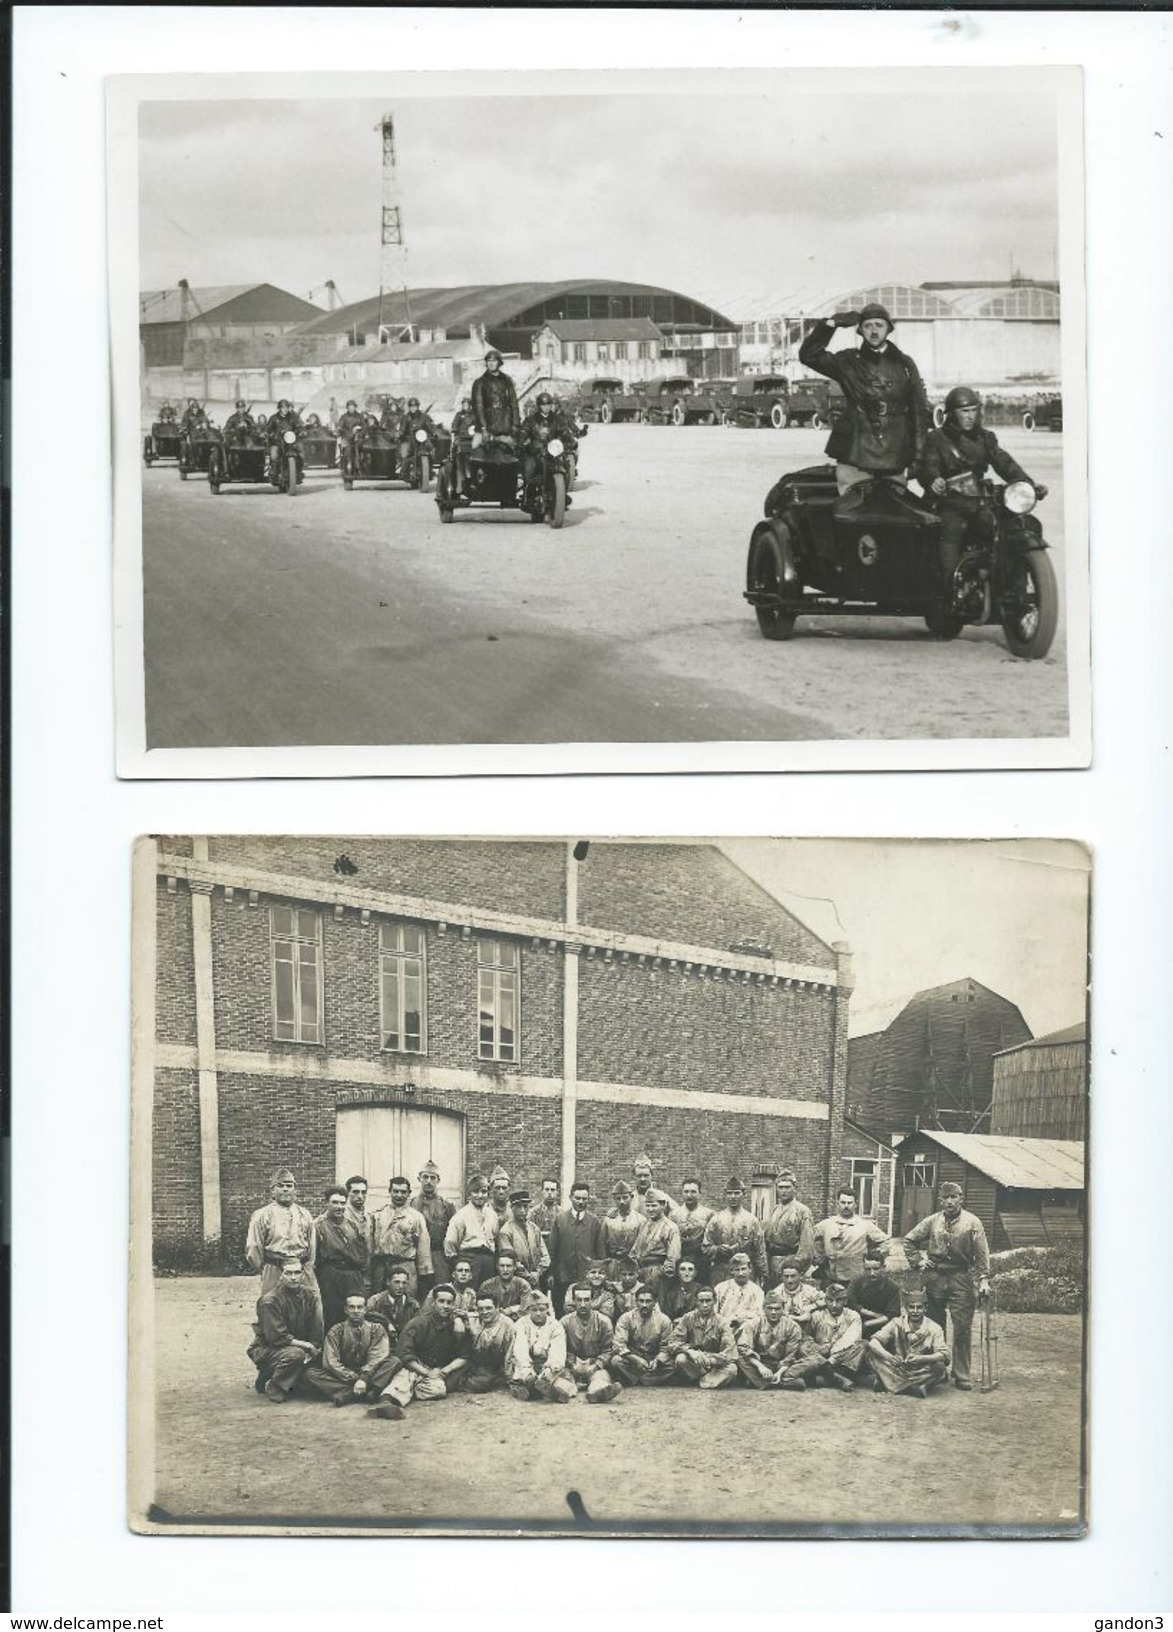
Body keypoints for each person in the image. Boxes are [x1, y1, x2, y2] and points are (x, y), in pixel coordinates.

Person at [918, 385, 1048, 587]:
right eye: (964, 412)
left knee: (1021, 524)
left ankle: (1014, 583)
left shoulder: (986, 438)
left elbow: (1004, 463)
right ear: (951, 414)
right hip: (949, 500)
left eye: (973, 410)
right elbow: (929, 465)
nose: (970, 416)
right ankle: (950, 588)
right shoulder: (936, 439)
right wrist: (933, 480)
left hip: (979, 497)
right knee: (952, 529)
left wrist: (1028, 484)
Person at [798, 303, 930, 494]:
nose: (874, 331)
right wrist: (830, 324)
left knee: (895, 512)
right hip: (855, 449)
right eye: (868, 326)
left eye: (879, 325)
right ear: (860, 331)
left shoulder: (905, 364)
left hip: (895, 451)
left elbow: (918, 412)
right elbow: (808, 355)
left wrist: (919, 455)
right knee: (852, 510)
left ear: (888, 329)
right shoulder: (847, 361)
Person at [902, 1181, 991, 1390]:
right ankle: (937, 1369)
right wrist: (919, 1261)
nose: (949, 1202)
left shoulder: (972, 1223)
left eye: (954, 1197)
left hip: (961, 1277)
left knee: (962, 1327)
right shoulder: (933, 1221)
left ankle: (961, 1373)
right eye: (945, 1198)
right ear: (940, 1201)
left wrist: (984, 1279)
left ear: (961, 1198)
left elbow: (982, 1254)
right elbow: (909, 1240)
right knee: (934, 1326)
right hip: (934, 1277)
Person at [369, 1283, 472, 1420]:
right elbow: (404, 1354)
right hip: (415, 1366)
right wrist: (426, 1372)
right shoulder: (418, 1323)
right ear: (433, 1303)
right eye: (441, 1301)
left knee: (438, 1390)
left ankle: (407, 1392)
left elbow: (465, 1355)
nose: (445, 1306)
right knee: (405, 1377)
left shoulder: (456, 1326)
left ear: (454, 1305)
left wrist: (444, 1371)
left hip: (437, 1371)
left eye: (449, 1302)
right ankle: (386, 1403)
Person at [247, 1257, 324, 1402]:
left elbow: (316, 1327)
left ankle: (278, 1376)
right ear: (281, 1275)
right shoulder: (270, 1301)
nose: (293, 1278)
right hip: (267, 1348)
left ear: (302, 1274)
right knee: (295, 1355)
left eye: (297, 1273)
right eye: (288, 1273)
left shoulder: (310, 1295)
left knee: (322, 1360)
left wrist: (316, 1346)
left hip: (297, 1345)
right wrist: (307, 1346)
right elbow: (277, 1338)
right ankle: (275, 1385)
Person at [304, 1292, 395, 1407]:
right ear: (346, 1310)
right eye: (352, 1307)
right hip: (344, 1373)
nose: (356, 1311)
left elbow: (377, 1357)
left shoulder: (376, 1329)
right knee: (310, 1374)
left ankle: (349, 1394)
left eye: (359, 1307)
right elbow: (330, 1362)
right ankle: (366, 1391)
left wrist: (364, 1378)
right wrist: (355, 1378)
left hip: (370, 1372)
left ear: (365, 1309)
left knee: (394, 1362)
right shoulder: (336, 1330)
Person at [245, 1168, 319, 1302]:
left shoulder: (305, 1214)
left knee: (310, 1306)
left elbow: (312, 1245)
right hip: (275, 1268)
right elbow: (253, 1247)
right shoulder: (262, 1215)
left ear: (295, 1190)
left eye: (289, 1186)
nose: (285, 1189)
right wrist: (265, 1268)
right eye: (280, 1186)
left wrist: (308, 1265)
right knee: (272, 1307)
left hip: (301, 1268)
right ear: (272, 1190)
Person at [868, 1289, 951, 1397]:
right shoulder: (896, 1323)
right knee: (871, 1353)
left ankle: (888, 1382)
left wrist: (921, 1358)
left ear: (925, 1309)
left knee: (940, 1368)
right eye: (911, 1307)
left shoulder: (934, 1328)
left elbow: (944, 1355)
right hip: (898, 1367)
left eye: (919, 1307)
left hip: (920, 1370)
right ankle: (914, 1388)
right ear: (906, 1308)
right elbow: (874, 1342)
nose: (915, 1311)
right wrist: (889, 1357)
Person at [736, 1290, 824, 1391]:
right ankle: (783, 1382)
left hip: (782, 1365)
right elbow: (744, 1348)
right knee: (739, 1357)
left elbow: (791, 1356)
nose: (773, 1312)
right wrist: (761, 1367)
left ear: (783, 1309)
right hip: (761, 1363)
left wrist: (779, 1372)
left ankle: (762, 1382)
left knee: (814, 1360)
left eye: (777, 1309)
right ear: (764, 1309)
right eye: (770, 1309)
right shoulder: (753, 1324)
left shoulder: (792, 1326)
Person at [313, 1185, 370, 1331]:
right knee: (332, 1315)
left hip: (353, 1275)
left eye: (342, 1203)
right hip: (331, 1275)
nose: (339, 1207)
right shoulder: (318, 1226)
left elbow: (362, 1250)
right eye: (335, 1202)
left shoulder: (352, 1224)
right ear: (327, 1203)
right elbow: (313, 1257)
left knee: (356, 1313)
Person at [812, 1189, 890, 1288]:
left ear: (855, 1204)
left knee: (854, 1302)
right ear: (837, 1203)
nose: (846, 1206)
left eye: (849, 1203)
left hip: (855, 1277)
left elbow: (885, 1242)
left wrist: (873, 1259)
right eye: (843, 1202)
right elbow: (808, 1238)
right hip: (830, 1276)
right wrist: (816, 1257)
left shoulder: (864, 1225)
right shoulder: (827, 1224)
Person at [370, 1175, 432, 1296]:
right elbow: (371, 1242)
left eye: (403, 1192)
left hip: (405, 1264)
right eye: (395, 1191)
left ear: (409, 1193)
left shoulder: (416, 1217)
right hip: (383, 1266)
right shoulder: (378, 1215)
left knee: (406, 1300)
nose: (399, 1195)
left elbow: (423, 1246)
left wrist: (424, 1272)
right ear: (390, 1192)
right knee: (380, 1301)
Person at [667, 1284, 739, 1389]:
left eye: (708, 1301)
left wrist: (711, 1360)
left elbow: (730, 1353)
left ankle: (702, 1380)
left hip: (714, 1364)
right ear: (696, 1302)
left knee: (732, 1369)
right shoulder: (688, 1318)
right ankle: (706, 1379)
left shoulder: (721, 1322)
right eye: (701, 1301)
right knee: (681, 1359)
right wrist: (690, 1351)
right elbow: (672, 1342)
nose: (705, 1305)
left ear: (714, 1301)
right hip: (694, 1362)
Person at [560, 1282, 622, 1403]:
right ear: (573, 1301)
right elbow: (560, 1348)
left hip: (595, 1366)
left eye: (587, 1300)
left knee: (600, 1381)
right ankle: (565, 1392)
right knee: (563, 1382)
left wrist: (596, 1365)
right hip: (571, 1366)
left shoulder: (604, 1321)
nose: (583, 1304)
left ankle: (595, 1394)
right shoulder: (564, 1322)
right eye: (579, 1300)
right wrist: (572, 1364)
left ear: (592, 1300)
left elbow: (608, 1349)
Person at [508, 1290, 572, 1403]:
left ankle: (540, 1390)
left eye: (542, 1310)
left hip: (546, 1364)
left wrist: (549, 1368)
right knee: (525, 1376)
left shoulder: (556, 1326)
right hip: (526, 1366)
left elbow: (558, 1351)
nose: (538, 1313)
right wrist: (527, 1369)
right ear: (528, 1310)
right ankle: (529, 1387)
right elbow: (520, 1349)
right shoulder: (521, 1324)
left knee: (562, 1383)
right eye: (534, 1310)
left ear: (547, 1309)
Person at [549, 1181, 603, 1313]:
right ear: (570, 1197)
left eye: (584, 1199)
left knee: (585, 1312)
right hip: (562, 1277)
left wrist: (597, 1274)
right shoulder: (560, 1220)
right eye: (577, 1198)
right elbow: (552, 1249)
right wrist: (550, 1273)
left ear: (588, 1199)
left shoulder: (594, 1221)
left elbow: (599, 1251)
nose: (580, 1202)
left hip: (585, 1278)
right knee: (561, 1311)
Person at [703, 1177, 768, 1285]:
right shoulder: (716, 1219)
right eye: (730, 1193)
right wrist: (718, 1249)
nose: (733, 1197)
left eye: (737, 1193)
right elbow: (705, 1247)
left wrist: (763, 1274)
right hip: (721, 1271)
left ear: (743, 1194)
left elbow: (759, 1250)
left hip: (745, 1272)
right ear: (725, 1195)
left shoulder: (752, 1221)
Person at [519, 392, 575, 511]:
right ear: (539, 406)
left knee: (563, 466)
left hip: (552, 451)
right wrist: (522, 439)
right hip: (535, 451)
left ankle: (561, 495)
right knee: (529, 467)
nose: (546, 407)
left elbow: (565, 432)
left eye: (549, 404)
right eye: (544, 405)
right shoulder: (531, 420)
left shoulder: (557, 420)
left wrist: (570, 441)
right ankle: (528, 496)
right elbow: (523, 431)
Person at [808, 1281, 867, 1391]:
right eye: (830, 1300)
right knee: (804, 1348)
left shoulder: (853, 1316)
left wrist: (831, 1355)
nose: (834, 1305)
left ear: (845, 1301)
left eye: (838, 1300)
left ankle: (827, 1377)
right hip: (819, 1356)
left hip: (840, 1359)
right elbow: (806, 1337)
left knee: (862, 1345)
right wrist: (817, 1347)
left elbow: (849, 1340)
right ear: (825, 1301)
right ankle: (837, 1379)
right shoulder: (817, 1316)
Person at [442, 1174, 500, 1287]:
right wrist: (457, 1262)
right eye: (476, 1192)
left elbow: (496, 1238)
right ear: (469, 1193)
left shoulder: (492, 1215)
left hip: (488, 1259)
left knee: (487, 1292)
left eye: (483, 1192)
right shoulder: (461, 1215)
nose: (480, 1195)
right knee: (469, 1293)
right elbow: (450, 1242)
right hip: (469, 1259)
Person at [611, 1286, 674, 1386]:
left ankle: (639, 1379)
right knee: (616, 1361)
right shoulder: (626, 1318)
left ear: (655, 1302)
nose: (644, 1305)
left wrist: (657, 1361)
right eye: (641, 1301)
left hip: (653, 1359)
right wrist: (635, 1359)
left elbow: (666, 1347)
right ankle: (644, 1379)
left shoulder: (664, 1320)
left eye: (648, 1301)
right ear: (636, 1302)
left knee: (675, 1364)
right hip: (633, 1358)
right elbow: (619, 1344)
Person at [410, 1160, 455, 1298]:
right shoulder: (411, 1203)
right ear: (419, 1179)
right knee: (418, 1292)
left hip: (438, 1256)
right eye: (425, 1177)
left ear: (438, 1180)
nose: (428, 1181)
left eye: (432, 1178)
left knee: (441, 1291)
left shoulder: (447, 1205)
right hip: (416, 1256)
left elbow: (454, 1233)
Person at [764, 1168, 816, 1283]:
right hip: (772, 1263)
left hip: (790, 1264)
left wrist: (795, 1267)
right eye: (780, 1187)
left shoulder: (802, 1211)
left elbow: (806, 1246)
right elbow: (767, 1238)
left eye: (787, 1187)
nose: (784, 1191)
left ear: (794, 1188)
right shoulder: (775, 1209)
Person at [460, 1290, 516, 1393]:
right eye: (481, 1309)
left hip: (494, 1367)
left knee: (481, 1383)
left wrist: (509, 1377)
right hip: (472, 1364)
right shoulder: (472, 1319)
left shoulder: (508, 1325)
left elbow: (510, 1354)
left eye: (489, 1308)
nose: (485, 1312)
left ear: (497, 1308)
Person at [632, 1189, 682, 1304]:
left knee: (658, 1304)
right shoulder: (644, 1224)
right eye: (647, 1205)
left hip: (658, 1273)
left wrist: (662, 1272)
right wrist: (635, 1268)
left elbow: (673, 1256)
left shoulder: (670, 1227)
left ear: (663, 1205)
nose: (650, 1209)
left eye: (654, 1205)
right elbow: (635, 1249)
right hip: (642, 1272)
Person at [845, 1251, 904, 1340]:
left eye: (876, 1269)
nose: (872, 1273)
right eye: (868, 1269)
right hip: (858, 1320)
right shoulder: (857, 1281)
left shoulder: (892, 1287)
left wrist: (867, 1324)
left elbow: (892, 1315)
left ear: (883, 1268)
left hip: (882, 1323)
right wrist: (873, 1314)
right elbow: (850, 1303)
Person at [496, 1189, 550, 1282]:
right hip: (516, 1280)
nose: (522, 1210)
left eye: (525, 1207)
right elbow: (510, 1260)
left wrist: (538, 1272)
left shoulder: (534, 1228)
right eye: (518, 1207)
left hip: (537, 1279)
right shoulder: (505, 1231)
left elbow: (545, 1256)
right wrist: (528, 1276)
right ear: (511, 1207)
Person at [470, 349, 521, 443]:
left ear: (499, 362)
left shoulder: (507, 381)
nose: (491, 363)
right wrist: (483, 428)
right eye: (489, 361)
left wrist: (515, 424)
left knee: (516, 453)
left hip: (506, 426)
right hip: (488, 427)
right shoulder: (479, 383)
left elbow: (514, 403)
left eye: (494, 361)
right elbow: (478, 407)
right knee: (475, 450)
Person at [714, 1251, 765, 1337]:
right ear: (732, 1272)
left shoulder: (757, 1291)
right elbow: (714, 1312)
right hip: (723, 1327)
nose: (740, 1273)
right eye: (737, 1270)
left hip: (746, 1329)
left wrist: (739, 1320)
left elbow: (757, 1314)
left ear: (750, 1270)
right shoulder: (721, 1288)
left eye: (743, 1269)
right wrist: (724, 1323)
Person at [671, 1179, 714, 1278]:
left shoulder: (708, 1214)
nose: (689, 1195)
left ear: (700, 1193)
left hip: (701, 1259)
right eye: (686, 1191)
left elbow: (712, 1239)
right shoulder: (674, 1214)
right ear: (682, 1193)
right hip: (680, 1257)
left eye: (693, 1192)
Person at [601, 1180, 644, 1275]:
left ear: (631, 1197)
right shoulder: (608, 1220)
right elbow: (602, 1243)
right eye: (618, 1198)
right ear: (614, 1199)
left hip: (633, 1265)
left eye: (625, 1198)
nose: (622, 1202)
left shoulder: (640, 1220)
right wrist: (605, 1263)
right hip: (612, 1264)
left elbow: (641, 1245)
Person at [365, 1265, 419, 1340]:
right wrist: (387, 1322)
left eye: (404, 1283)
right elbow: (367, 1314)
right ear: (388, 1282)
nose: (400, 1286)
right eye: (396, 1282)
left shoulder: (413, 1304)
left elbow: (418, 1327)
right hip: (381, 1343)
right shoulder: (376, 1300)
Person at [479, 1250, 534, 1321]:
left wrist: (510, 1311)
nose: (505, 1269)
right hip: (493, 1323)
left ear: (515, 1267)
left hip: (517, 1323)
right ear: (497, 1267)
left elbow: (526, 1310)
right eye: (502, 1266)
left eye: (508, 1266)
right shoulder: (487, 1285)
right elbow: (481, 1309)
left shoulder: (523, 1285)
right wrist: (513, 1309)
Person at [562, 1258, 620, 1323]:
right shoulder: (574, 1288)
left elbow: (606, 1315)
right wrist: (595, 1309)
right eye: (593, 1272)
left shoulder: (609, 1292)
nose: (597, 1276)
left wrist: (581, 1309)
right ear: (587, 1274)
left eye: (601, 1273)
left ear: (606, 1276)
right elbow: (568, 1309)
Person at [774, 1258, 824, 1332]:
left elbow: (826, 1300)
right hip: (784, 1330)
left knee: (818, 1315)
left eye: (793, 1276)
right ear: (782, 1276)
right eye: (786, 1276)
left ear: (800, 1275)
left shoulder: (808, 1290)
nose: (789, 1280)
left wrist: (811, 1307)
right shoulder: (777, 1293)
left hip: (806, 1329)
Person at [398, 396, 439, 478]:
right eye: (411, 407)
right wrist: (399, 434)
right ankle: (404, 470)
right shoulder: (406, 417)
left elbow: (430, 426)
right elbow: (402, 428)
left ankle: (430, 468)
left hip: (422, 440)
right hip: (409, 439)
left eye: (415, 406)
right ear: (409, 407)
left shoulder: (424, 416)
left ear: (417, 407)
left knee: (430, 449)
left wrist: (434, 432)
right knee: (404, 453)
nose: (413, 408)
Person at [450, 394, 476, 499]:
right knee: (459, 457)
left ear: (470, 405)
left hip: (473, 441)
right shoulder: (458, 415)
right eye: (464, 404)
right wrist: (454, 430)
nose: (465, 406)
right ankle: (460, 483)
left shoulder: (475, 415)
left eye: (467, 404)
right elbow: (454, 426)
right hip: (462, 440)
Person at [660, 1255, 701, 1320]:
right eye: (683, 1269)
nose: (686, 1273)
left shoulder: (701, 1291)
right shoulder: (672, 1294)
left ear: (695, 1273)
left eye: (690, 1270)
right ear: (678, 1273)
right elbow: (667, 1317)